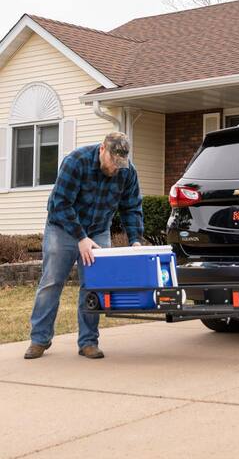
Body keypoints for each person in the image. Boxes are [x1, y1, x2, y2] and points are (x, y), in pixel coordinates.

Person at [24, 132, 143, 360]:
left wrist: (135, 239)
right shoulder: (76, 162)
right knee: (51, 282)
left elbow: (132, 207)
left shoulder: (127, 172)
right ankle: (39, 339)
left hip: (98, 229)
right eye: (112, 162)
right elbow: (60, 204)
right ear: (102, 149)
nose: (115, 168)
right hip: (63, 228)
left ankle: (88, 342)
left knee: (93, 286)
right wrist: (80, 238)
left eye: (120, 164)